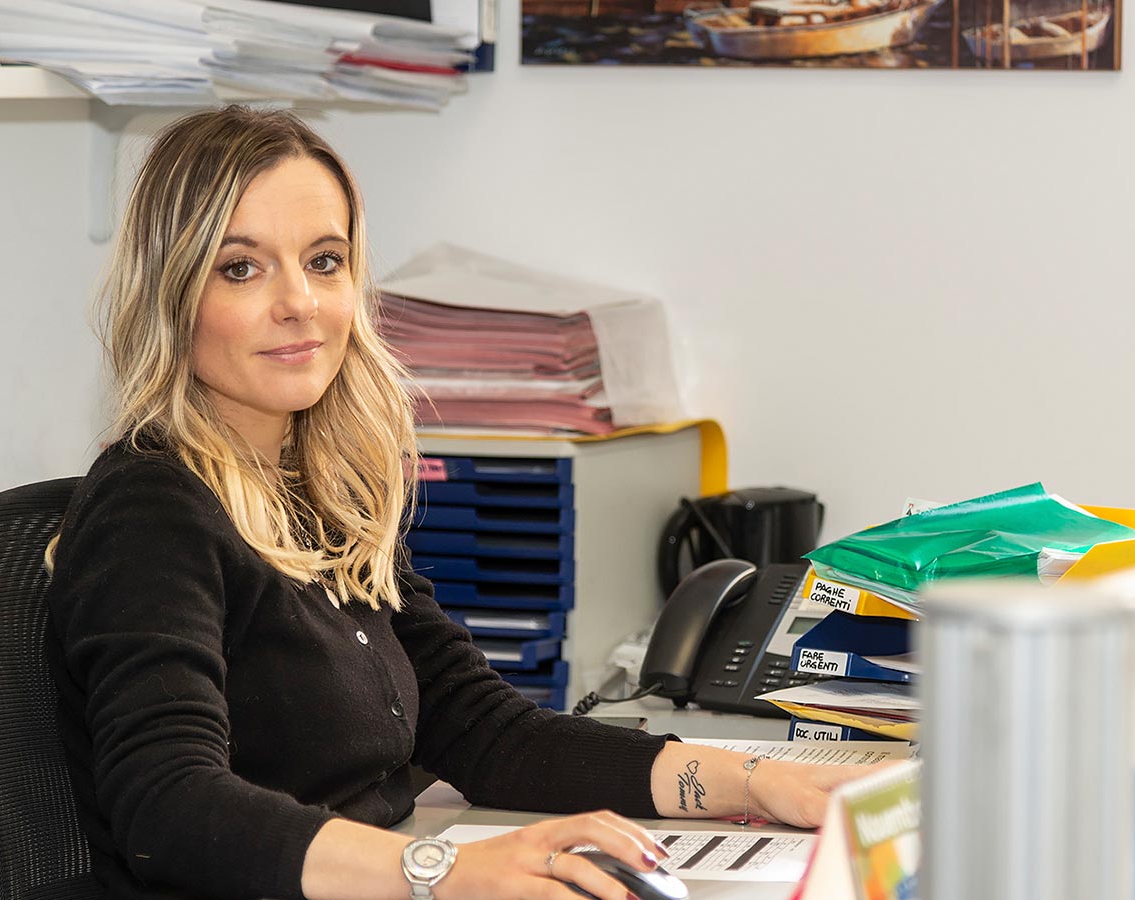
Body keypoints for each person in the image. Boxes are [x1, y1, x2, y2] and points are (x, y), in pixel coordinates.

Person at [44, 106, 876, 900]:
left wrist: (758, 782)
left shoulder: (321, 487)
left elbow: (483, 731)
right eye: (241, 267)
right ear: (173, 293)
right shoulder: (150, 509)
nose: (301, 301)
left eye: (325, 261)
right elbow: (168, 804)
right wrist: (442, 870)